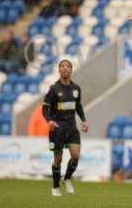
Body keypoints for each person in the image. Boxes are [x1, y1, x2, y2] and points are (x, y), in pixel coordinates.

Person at [42, 59, 89, 196]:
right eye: (62, 66)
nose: (65, 68)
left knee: (75, 155)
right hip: (57, 129)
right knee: (58, 159)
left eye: (67, 66)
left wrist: (84, 121)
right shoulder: (53, 89)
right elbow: (45, 108)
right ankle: (55, 187)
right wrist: (49, 121)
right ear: (59, 70)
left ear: (71, 70)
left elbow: (78, 106)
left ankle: (67, 178)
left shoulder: (76, 88)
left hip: (72, 128)